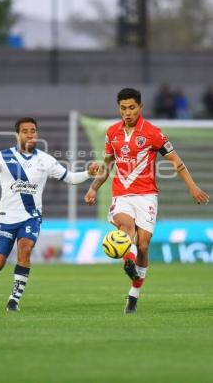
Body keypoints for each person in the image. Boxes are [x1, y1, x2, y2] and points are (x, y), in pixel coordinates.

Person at [84, 88, 209, 314]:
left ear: (140, 107)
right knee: (125, 227)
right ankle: (129, 262)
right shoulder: (112, 132)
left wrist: (192, 187)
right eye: (123, 108)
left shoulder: (153, 133)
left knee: (143, 245)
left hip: (146, 195)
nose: (127, 112)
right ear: (119, 109)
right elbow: (107, 165)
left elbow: (176, 161)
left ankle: (134, 293)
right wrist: (93, 188)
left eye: (132, 107)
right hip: (121, 194)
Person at [0, 117, 99, 312]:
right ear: (17, 135)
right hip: (6, 219)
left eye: (33, 131)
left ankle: (14, 299)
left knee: (26, 248)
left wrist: (88, 173)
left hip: (31, 216)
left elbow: (70, 178)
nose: (30, 135)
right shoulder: (3, 157)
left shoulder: (45, 160)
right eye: (25, 131)